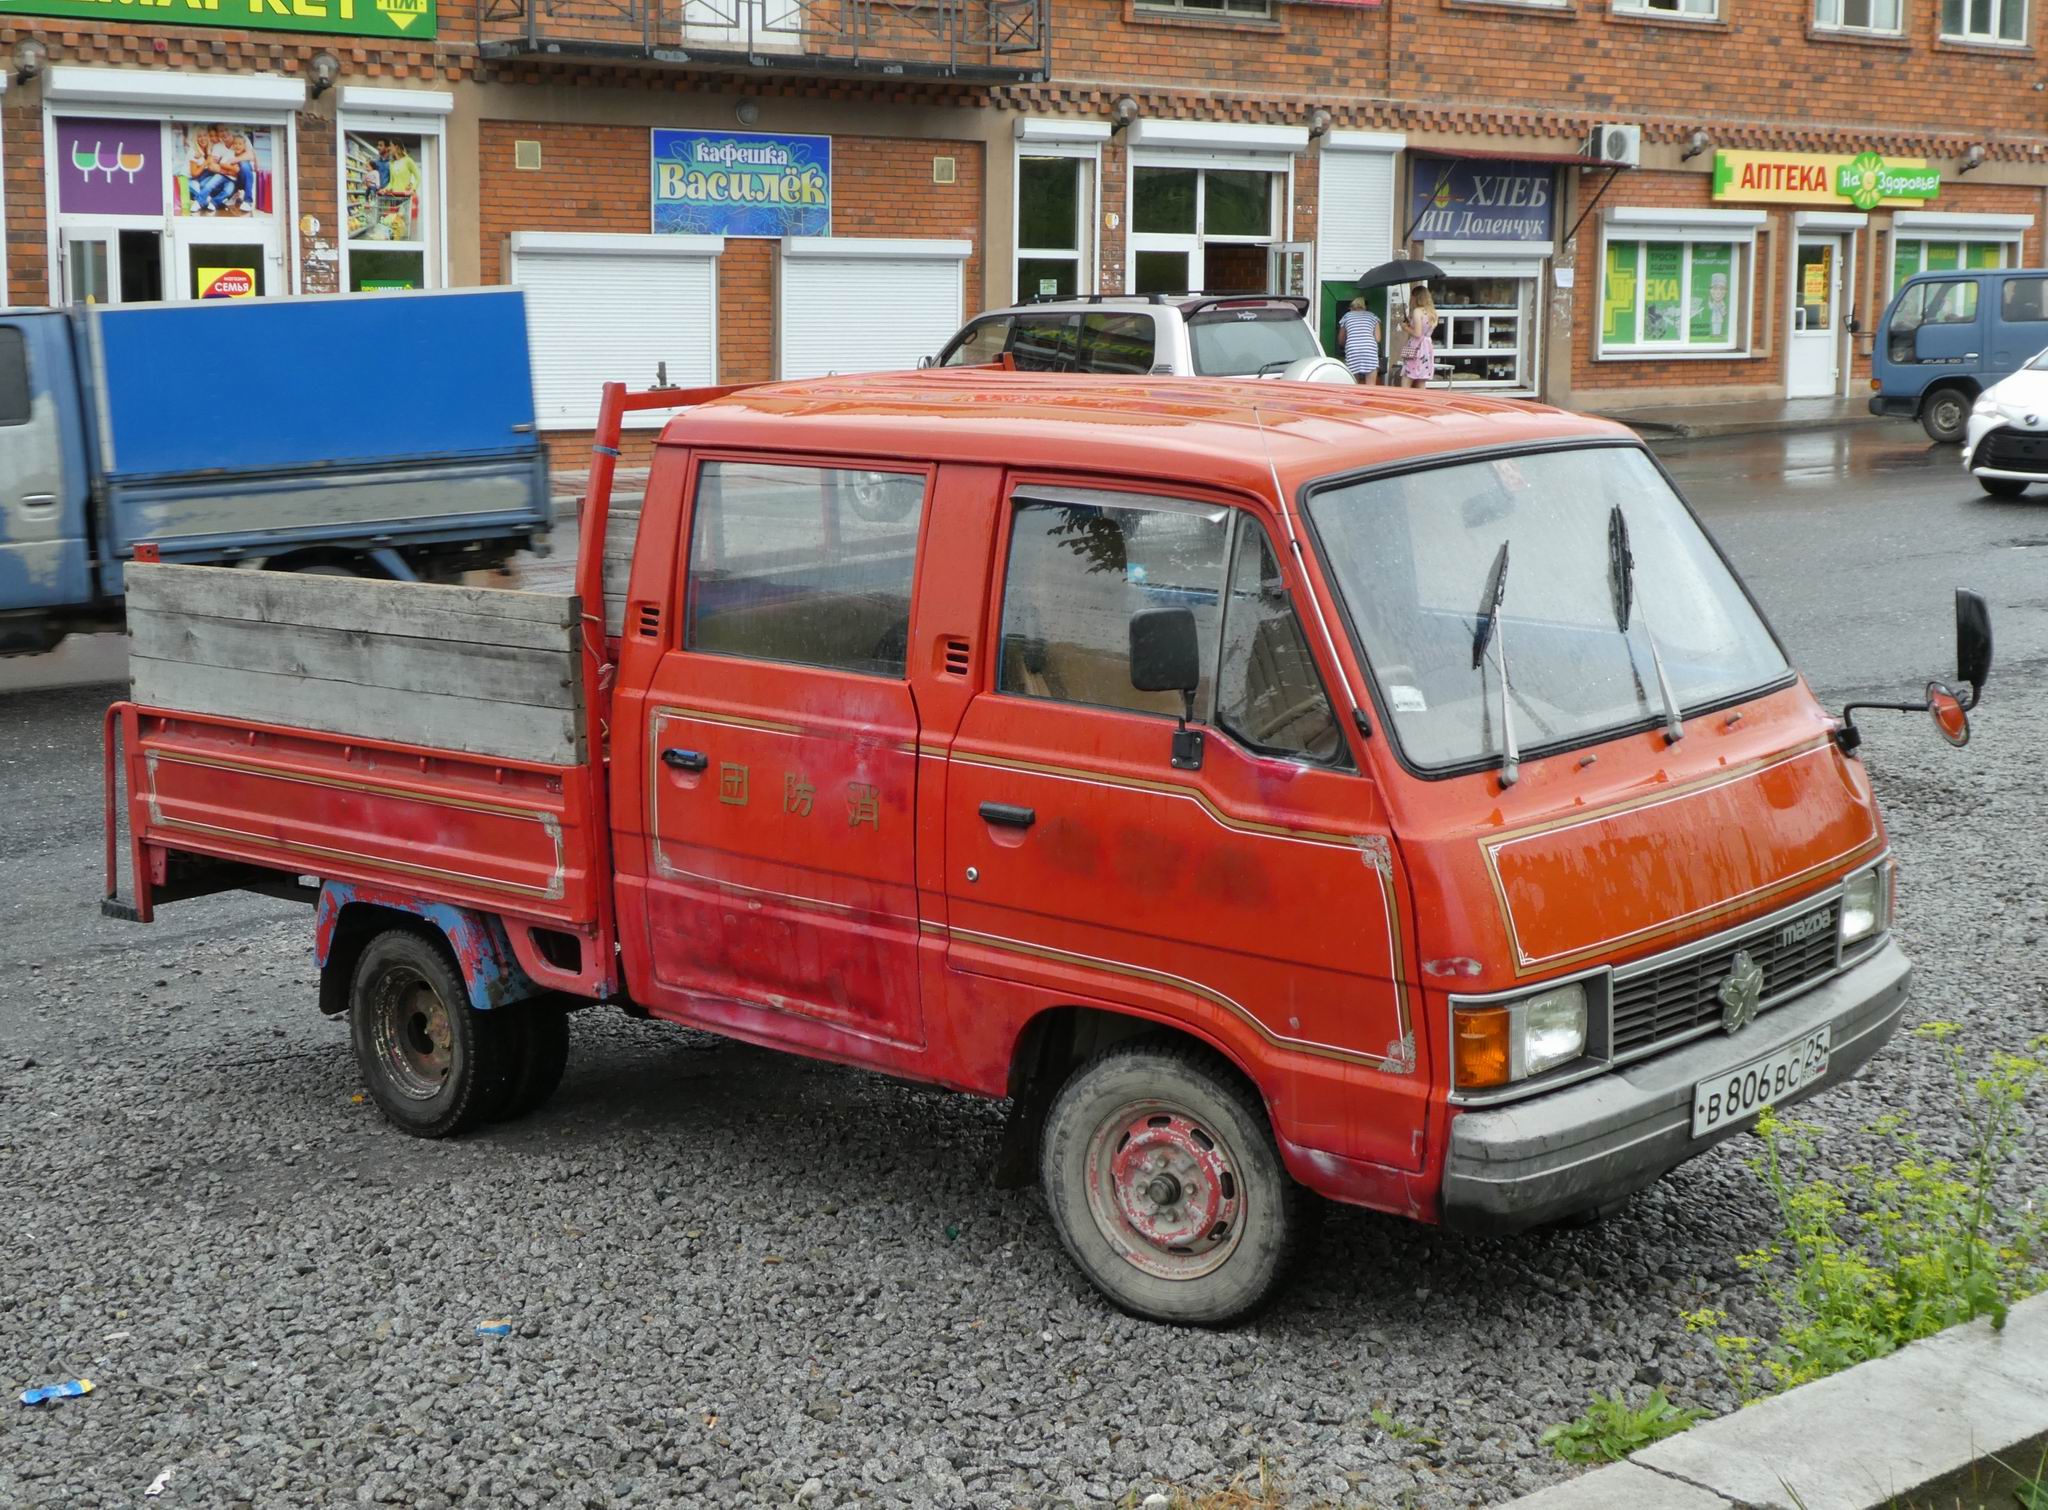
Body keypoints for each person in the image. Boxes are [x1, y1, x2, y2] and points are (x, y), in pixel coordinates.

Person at [1337, 296, 1382, 385]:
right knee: (1371, 385)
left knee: (1354, 383)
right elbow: (1378, 339)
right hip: (1369, 350)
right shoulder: (1373, 316)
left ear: (1352, 307)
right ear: (1365, 307)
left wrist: (1343, 345)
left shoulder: (1347, 316)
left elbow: (1341, 340)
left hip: (1353, 350)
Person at [1400, 285, 1438, 387]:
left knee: (1407, 376)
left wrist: (1405, 328)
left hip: (1416, 347)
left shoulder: (1417, 311)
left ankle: (1403, 397)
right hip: (1427, 347)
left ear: (1415, 297)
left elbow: (1417, 333)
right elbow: (1425, 330)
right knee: (1421, 380)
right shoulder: (1432, 312)